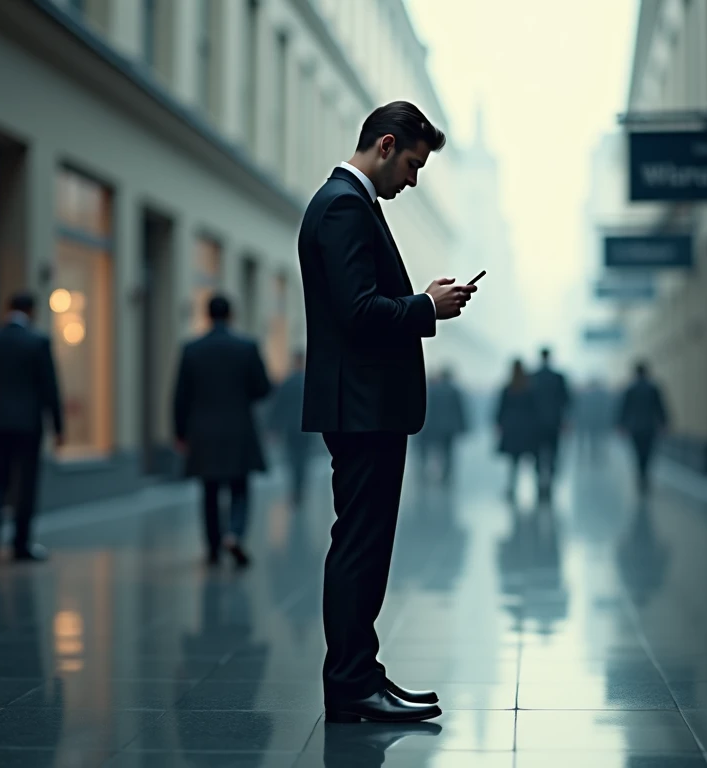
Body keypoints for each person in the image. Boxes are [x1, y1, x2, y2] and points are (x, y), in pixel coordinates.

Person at [298, 101, 477, 723]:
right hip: (363, 408)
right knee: (359, 547)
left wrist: (425, 302)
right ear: (386, 144)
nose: (413, 179)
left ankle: (362, 674)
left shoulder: (346, 202)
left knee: (365, 545)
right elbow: (358, 312)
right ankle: (351, 684)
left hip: (364, 405)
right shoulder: (345, 205)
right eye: (411, 164)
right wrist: (427, 306)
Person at [173, 294, 272, 567]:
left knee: (209, 490)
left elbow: (180, 396)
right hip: (239, 427)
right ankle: (235, 533)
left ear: (207, 315)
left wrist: (180, 433)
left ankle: (213, 548)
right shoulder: (246, 347)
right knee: (240, 486)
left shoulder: (192, 349)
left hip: (202, 430)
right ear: (231, 315)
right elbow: (262, 388)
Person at [0, 291, 63, 564]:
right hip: (28, 424)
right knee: (26, 484)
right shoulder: (37, 342)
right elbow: (50, 388)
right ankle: (20, 544)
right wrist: (58, 426)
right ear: (31, 311)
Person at [267, 350, 312, 507]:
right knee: (303, 460)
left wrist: (274, 427)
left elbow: (278, 406)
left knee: (293, 459)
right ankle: (300, 488)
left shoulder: (288, 382)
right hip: (306, 428)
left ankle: (295, 489)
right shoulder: (309, 381)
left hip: (290, 428)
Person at [617, 361, 669, 496]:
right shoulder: (653, 388)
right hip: (649, 426)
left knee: (637, 452)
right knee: (648, 452)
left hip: (634, 427)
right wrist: (664, 423)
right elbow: (660, 407)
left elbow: (624, 409)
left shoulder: (630, 389)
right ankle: (644, 474)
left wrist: (621, 425)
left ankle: (640, 475)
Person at [528, 347, 570, 501]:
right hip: (554, 422)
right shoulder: (558, 377)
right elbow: (566, 400)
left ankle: (540, 481)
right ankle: (550, 481)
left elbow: (528, 401)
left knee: (537, 453)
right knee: (553, 452)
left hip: (535, 423)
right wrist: (565, 420)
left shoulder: (532, 376)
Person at [418, 368, 468, 483]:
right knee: (448, 452)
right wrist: (463, 426)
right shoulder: (454, 391)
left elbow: (430, 409)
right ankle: (446, 474)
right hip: (450, 427)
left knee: (433, 450)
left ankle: (429, 473)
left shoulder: (434, 390)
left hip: (435, 426)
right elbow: (459, 410)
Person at [496, 359, 535, 499]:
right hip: (526, 427)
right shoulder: (529, 388)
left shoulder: (508, 388)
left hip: (511, 426)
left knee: (513, 460)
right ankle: (537, 487)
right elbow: (534, 409)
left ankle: (512, 487)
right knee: (530, 458)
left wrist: (499, 424)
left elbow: (501, 408)